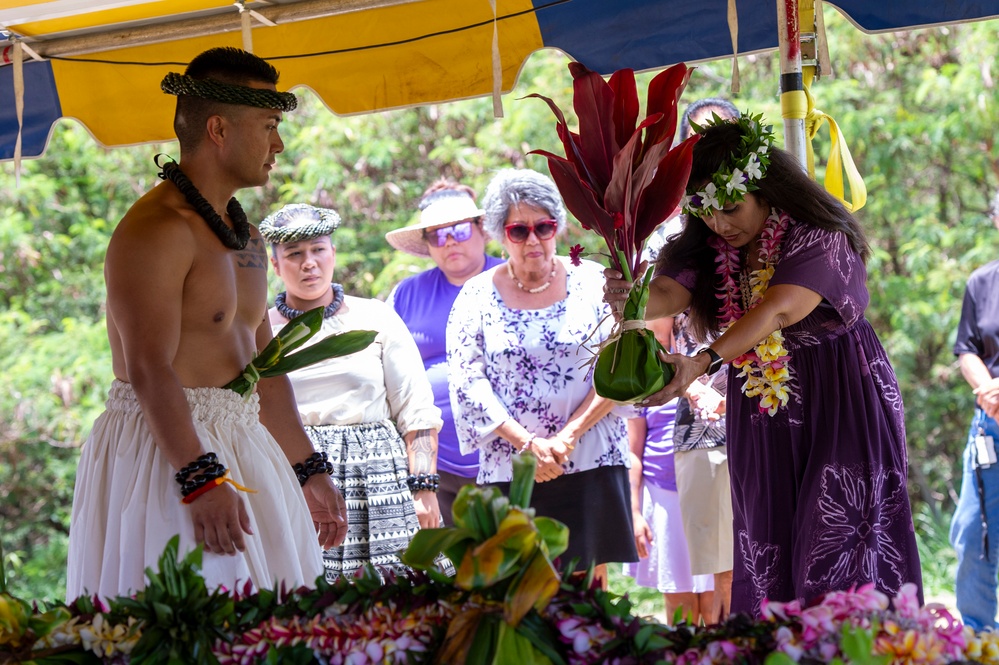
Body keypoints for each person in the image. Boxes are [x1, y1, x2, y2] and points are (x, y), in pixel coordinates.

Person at [604, 113, 923, 614]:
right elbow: (667, 292)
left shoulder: (819, 234)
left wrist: (702, 361)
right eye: (706, 213)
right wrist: (630, 295)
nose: (719, 225)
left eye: (730, 208)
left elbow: (775, 309)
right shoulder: (711, 243)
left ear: (766, 189)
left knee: (840, 543)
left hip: (840, 398)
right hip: (761, 408)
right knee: (767, 541)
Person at [66, 47, 346, 601]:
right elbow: (148, 368)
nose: (278, 144)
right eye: (269, 126)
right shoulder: (156, 229)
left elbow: (264, 365)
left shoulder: (243, 236)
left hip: (243, 444)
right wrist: (198, 478)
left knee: (276, 627)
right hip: (165, 452)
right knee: (192, 627)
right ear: (218, 129)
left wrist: (308, 466)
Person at [447, 168, 638, 587]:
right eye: (519, 230)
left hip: (589, 456)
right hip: (512, 468)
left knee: (589, 591)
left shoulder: (593, 281)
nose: (533, 240)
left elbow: (619, 364)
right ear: (500, 233)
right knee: (520, 594)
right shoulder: (475, 296)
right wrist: (529, 445)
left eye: (544, 227)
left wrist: (567, 436)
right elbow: (467, 380)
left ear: (558, 227)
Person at [260, 203, 449, 581]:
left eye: (318, 250)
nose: (308, 263)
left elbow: (416, 410)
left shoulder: (374, 317)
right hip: (293, 478)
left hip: (378, 482)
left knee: (399, 596)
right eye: (294, 254)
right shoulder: (259, 330)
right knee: (301, 592)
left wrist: (424, 489)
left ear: (333, 253)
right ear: (276, 265)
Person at [385, 179, 504, 525]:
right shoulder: (406, 294)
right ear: (427, 245)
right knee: (449, 570)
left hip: (509, 456)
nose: (449, 241)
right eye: (437, 234)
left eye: (459, 230)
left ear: (483, 230)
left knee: (518, 566)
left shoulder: (511, 279)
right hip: (433, 464)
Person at [668, 97, 740, 624]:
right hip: (706, 419)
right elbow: (652, 338)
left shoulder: (769, 224)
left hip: (772, 406)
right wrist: (699, 387)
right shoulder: (667, 241)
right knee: (721, 566)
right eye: (698, 141)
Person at [623, 317, 714, 625]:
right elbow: (632, 452)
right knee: (680, 604)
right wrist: (634, 512)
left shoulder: (704, 355)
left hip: (713, 493)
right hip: (664, 499)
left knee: (719, 602)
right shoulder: (639, 369)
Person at [950, 189, 999, 630]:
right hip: (991, 429)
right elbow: (966, 349)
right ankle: (980, 642)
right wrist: (987, 389)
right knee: (972, 538)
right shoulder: (982, 283)